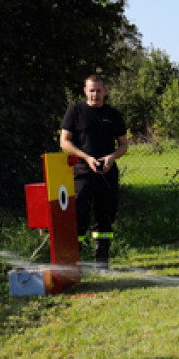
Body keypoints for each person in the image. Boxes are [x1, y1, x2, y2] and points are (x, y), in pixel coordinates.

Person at [60, 74, 129, 269]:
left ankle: (101, 263)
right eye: (91, 90)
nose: (95, 95)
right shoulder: (75, 111)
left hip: (107, 173)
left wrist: (111, 158)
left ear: (105, 91)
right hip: (82, 173)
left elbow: (124, 144)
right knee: (79, 216)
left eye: (99, 91)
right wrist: (86, 158)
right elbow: (64, 142)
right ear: (85, 91)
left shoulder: (113, 114)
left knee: (105, 218)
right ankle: (75, 263)